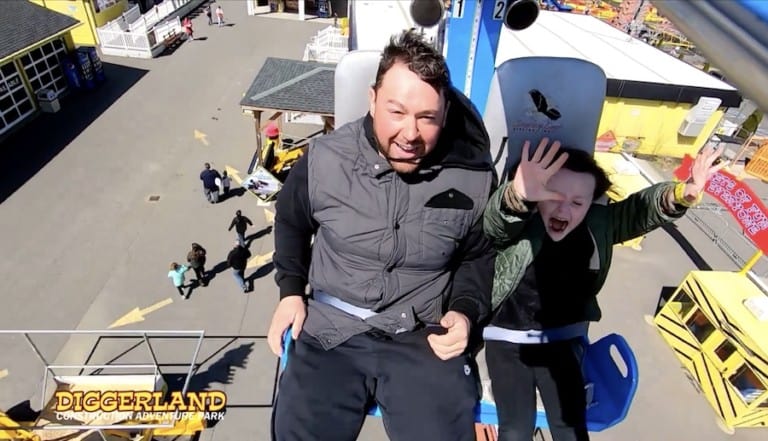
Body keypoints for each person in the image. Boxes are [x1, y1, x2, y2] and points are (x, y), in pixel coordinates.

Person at [268, 30, 497, 441]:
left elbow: (477, 255)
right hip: (330, 330)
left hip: (420, 335)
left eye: (427, 117)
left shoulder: (472, 178)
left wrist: (464, 312)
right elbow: (291, 222)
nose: (411, 133)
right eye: (397, 112)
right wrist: (289, 291)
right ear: (372, 99)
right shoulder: (322, 161)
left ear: (444, 114)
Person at [482, 139, 725, 441]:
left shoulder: (599, 226)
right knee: (516, 429)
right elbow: (494, 224)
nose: (564, 208)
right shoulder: (521, 221)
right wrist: (517, 196)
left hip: (562, 337)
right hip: (507, 338)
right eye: (554, 195)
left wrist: (683, 193)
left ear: (591, 204)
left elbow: (639, 211)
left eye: (577, 202)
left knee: (571, 429)